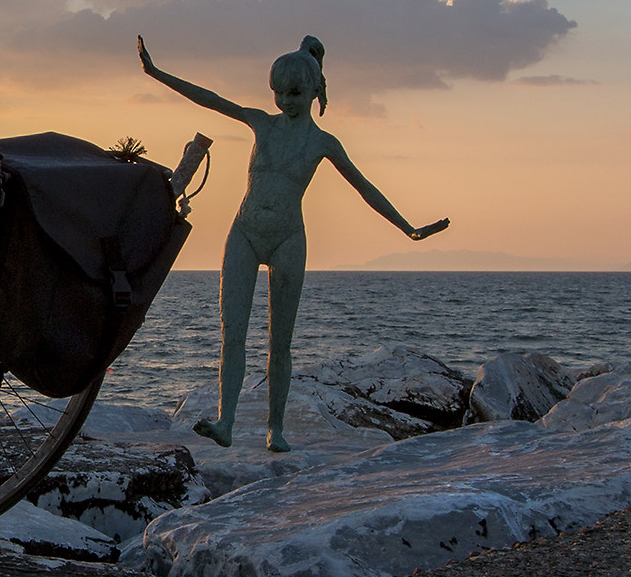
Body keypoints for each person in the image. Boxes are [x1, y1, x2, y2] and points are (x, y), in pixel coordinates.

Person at [139, 34, 448, 450]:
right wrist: (156, 72)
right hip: (245, 232)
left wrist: (407, 228)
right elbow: (210, 99)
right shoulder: (261, 123)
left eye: (295, 93)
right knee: (234, 332)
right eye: (279, 92)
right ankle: (225, 422)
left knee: (279, 343)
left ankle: (276, 429)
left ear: (315, 89)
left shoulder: (323, 143)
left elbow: (365, 188)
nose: (285, 101)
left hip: (288, 239)